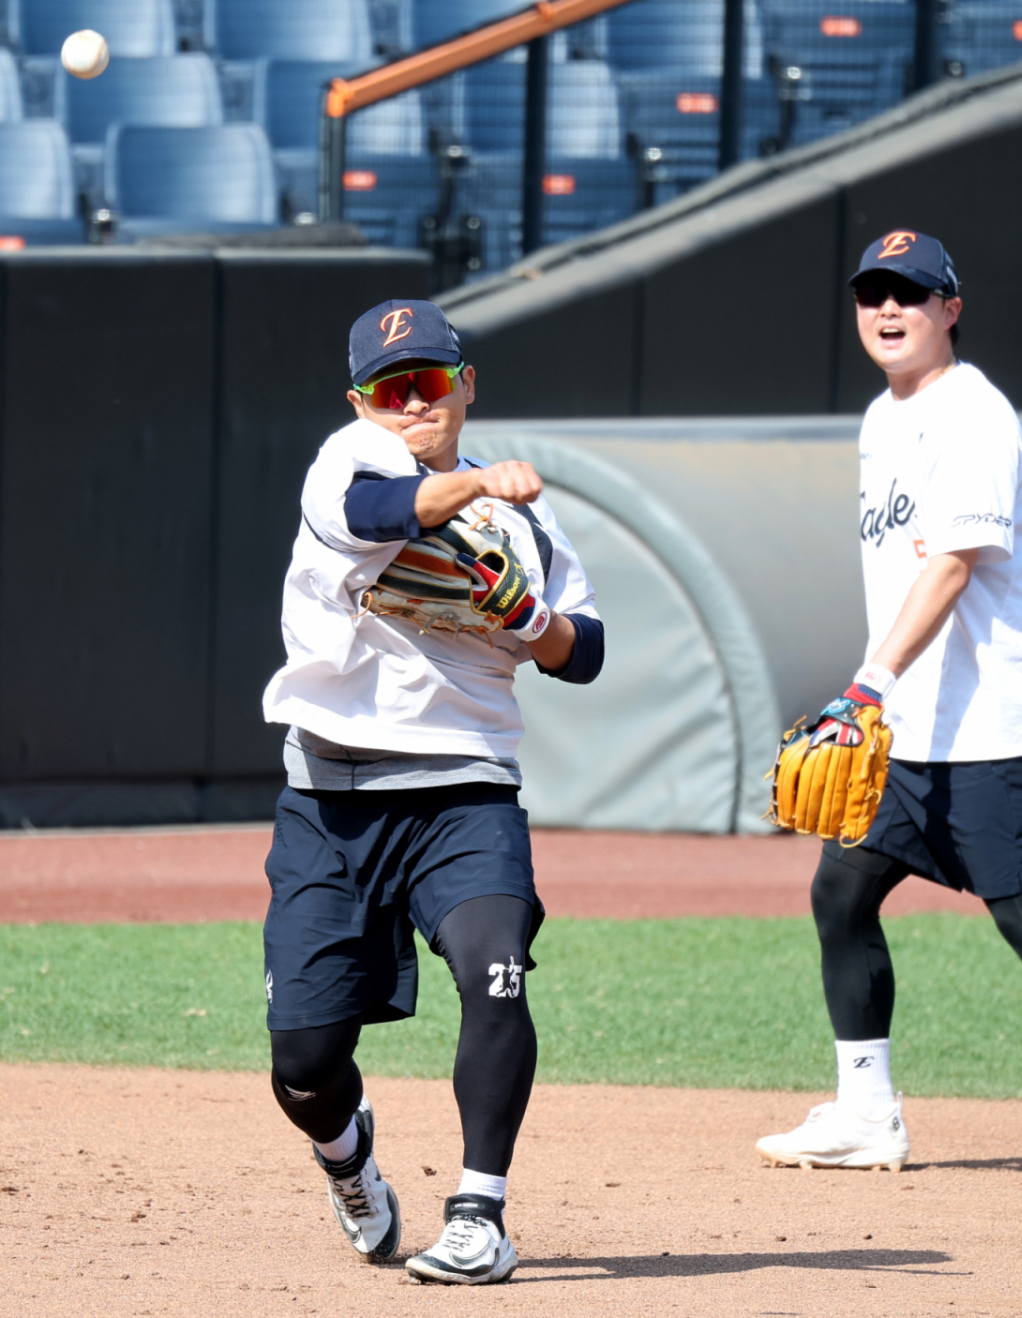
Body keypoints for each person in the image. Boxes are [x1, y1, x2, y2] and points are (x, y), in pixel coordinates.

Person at [756, 231, 1022, 1185]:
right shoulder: (882, 418)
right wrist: (885, 697)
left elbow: (952, 566)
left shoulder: (974, 415)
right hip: (909, 728)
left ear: (951, 309)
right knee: (840, 892)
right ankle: (866, 1113)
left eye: (910, 293)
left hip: (991, 719)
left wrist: (867, 684)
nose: (888, 309)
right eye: (873, 293)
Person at [260, 299, 603, 1283]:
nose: (412, 402)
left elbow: (585, 650)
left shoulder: (522, 521)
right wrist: (472, 486)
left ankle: (479, 1214)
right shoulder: (348, 463)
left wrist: (534, 624)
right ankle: (348, 1157)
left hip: (466, 788)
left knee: (496, 970)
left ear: (467, 385)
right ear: (360, 403)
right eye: (390, 388)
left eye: (430, 381)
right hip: (332, 796)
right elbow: (380, 515)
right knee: (304, 1065)